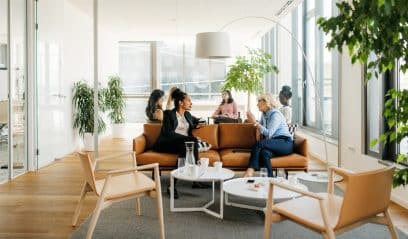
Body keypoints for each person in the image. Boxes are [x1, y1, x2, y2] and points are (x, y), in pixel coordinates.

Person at [154, 88, 205, 198]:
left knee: (187, 145)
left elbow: (196, 121)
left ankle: (172, 186)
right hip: (167, 143)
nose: (191, 103)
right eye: (189, 100)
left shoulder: (188, 115)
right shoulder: (168, 114)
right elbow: (168, 133)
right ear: (180, 103)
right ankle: (194, 179)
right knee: (191, 141)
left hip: (182, 145)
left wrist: (198, 125)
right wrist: (186, 139)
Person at [244, 93, 293, 177]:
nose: (257, 104)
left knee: (259, 144)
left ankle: (250, 169)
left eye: (259, 101)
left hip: (285, 143)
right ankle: (270, 178)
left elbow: (269, 134)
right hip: (273, 143)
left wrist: (255, 123)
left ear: (266, 102)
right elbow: (260, 129)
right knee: (264, 153)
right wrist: (257, 127)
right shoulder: (264, 114)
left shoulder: (275, 114)